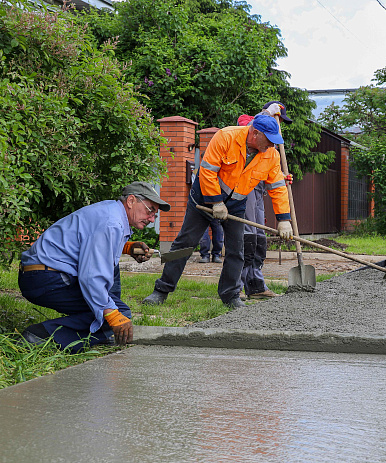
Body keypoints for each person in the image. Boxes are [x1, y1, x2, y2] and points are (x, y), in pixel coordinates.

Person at [142, 115, 293, 308]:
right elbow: (207, 171)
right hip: (204, 199)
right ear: (255, 133)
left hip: (236, 205)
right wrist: (216, 202)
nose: (272, 145)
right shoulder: (226, 137)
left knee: (237, 251)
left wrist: (284, 219)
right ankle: (161, 290)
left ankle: (231, 296)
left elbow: (277, 187)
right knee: (184, 244)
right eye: (269, 140)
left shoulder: (271, 155)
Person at [18, 182, 170, 352]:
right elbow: (91, 277)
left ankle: (101, 330)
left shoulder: (111, 211)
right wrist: (111, 313)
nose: (151, 219)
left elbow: (89, 248)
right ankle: (41, 336)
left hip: (41, 273)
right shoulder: (111, 223)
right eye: (150, 210)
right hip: (44, 279)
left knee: (110, 290)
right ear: (131, 201)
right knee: (120, 313)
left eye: (155, 215)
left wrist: (126, 247)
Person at [238, 101, 293, 298]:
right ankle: (239, 287)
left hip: (258, 190)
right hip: (244, 187)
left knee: (259, 238)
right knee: (248, 236)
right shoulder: (248, 123)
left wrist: (284, 218)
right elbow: (244, 128)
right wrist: (263, 114)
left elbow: (273, 179)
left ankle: (256, 285)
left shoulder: (271, 149)